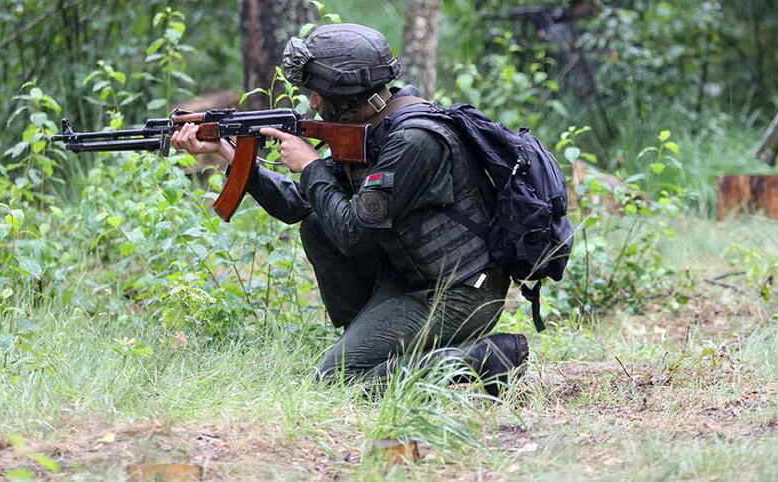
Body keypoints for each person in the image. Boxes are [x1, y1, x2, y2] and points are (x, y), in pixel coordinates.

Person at [171, 23, 528, 393]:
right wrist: (228, 153)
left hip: (459, 292)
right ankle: (367, 341)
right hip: (410, 279)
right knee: (316, 222)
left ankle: (484, 358)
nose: (311, 102)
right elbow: (300, 205)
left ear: (346, 95)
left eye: (318, 93)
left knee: (336, 381)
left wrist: (311, 166)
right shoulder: (373, 126)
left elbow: (354, 234)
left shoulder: (414, 140)